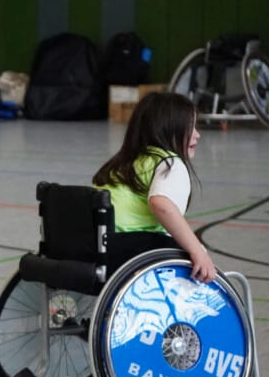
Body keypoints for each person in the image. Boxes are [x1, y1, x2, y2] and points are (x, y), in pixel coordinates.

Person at [92, 92, 216, 283]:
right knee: (194, 256)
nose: (197, 135)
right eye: (190, 127)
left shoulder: (123, 163)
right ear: (168, 129)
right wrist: (197, 250)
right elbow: (161, 204)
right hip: (122, 250)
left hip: (91, 244)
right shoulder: (169, 163)